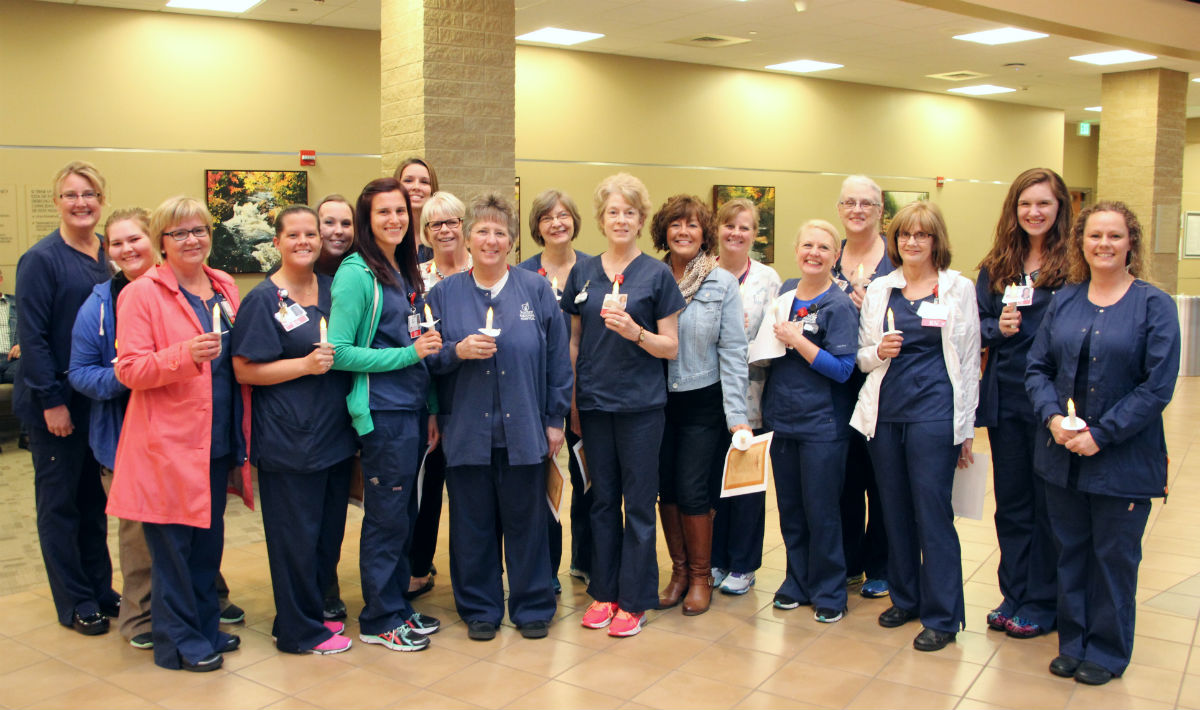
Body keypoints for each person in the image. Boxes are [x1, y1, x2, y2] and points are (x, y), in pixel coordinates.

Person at [1026, 202, 1180, 686]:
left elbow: (1157, 386)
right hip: (1061, 457)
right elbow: (1037, 369)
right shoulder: (1065, 301)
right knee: (1070, 551)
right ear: (1081, 243)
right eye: (1095, 236)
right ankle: (1073, 642)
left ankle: (1108, 650)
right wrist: (1052, 418)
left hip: (1123, 460)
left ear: (1130, 241)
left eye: (1115, 236)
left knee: (1113, 557)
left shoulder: (1154, 305)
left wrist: (1101, 435)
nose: (1104, 245)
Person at [106, 196, 253, 671]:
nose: (192, 241)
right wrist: (184, 354)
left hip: (215, 440)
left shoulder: (224, 285)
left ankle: (205, 628)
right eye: (179, 234)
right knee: (173, 552)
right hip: (167, 448)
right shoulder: (141, 294)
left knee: (207, 548)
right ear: (160, 243)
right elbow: (129, 369)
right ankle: (177, 644)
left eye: (199, 231)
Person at [425, 192, 572, 641]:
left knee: (527, 522)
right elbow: (426, 360)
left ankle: (531, 605)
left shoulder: (536, 290)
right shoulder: (444, 295)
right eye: (483, 231)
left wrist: (554, 419)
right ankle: (480, 607)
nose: (491, 240)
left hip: (525, 429)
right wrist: (456, 352)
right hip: (467, 430)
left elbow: (557, 361)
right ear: (468, 237)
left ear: (511, 243)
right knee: (472, 525)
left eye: (500, 233)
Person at [850, 200, 979, 652]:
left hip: (935, 415)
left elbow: (967, 360)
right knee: (894, 511)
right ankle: (906, 598)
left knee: (932, 514)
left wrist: (965, 430)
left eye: (922, 234)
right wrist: (879, 351)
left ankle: (943, 615)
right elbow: (863, 356)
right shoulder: (883, 289)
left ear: (936, 240)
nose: (913, 242)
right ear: (895, 240)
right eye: (905, 234)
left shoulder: (957, 289)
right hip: (885, 415)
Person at [560, 173, 685, 638]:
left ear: (641, 219)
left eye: (629, 212)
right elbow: (574, 342)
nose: (620, 219)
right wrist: (572, 399)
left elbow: (670, 347)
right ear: (601, 218)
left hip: (640, 409)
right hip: (593, 406)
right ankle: (604, 593)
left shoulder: (656, 275)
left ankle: (634, 600)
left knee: (636, 505)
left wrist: (636, 332)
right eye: (613, 211)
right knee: (600, 500)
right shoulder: (584, 271)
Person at [231, 206, 356, 655]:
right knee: (294, 541)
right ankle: (297, 630)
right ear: (278, 241)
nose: (304, 241)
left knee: (325, 538)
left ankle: (314, 615)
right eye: (294, 235)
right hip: (289, 442)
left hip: (334, 438)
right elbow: (244, 369)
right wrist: (303, 366)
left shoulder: (331, 291)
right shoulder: (264, 300)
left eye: (311, 234)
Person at [328, 177, 443, 652]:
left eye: (401, 211)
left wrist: (432, 407)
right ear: (365, 220)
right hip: (382, 413)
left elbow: (422, 341)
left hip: (413, 411)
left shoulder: (403, 269)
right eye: (383, 213)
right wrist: (407, 357)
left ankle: (396, 603)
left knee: (403, 515)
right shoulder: (357, 272)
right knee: (386, 518)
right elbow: (337, 352)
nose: (395, 219)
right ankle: (379, 618)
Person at [15, 160, 119, 636]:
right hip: (54, 401)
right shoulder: (41, 259)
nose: (81, 203)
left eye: (90, 194)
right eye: (71, 195)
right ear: (57, 201)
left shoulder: (107, 252)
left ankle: (100, 587)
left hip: (94, 399)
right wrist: (52, 402)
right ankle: (75, 600)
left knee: (92, 502)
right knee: (60, 505)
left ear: (102, 200)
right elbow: (32, 338)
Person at [976, 168, 1072, 639]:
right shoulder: (997, 267)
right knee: (1011, 504)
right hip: (1006, 399)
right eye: (1025, 204)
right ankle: (1014, 593)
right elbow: (973, 325)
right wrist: (999, 329)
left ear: (1060, 210)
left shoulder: (1074, 268)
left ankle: (1042, 600)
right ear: (1013, 210)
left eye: (1044, 204)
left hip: (1050, 403)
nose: (1034, 212)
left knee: (1046, 505)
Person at [751, 220, 858, 622]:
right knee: (791, 509)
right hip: (783, 419)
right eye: (808, 245)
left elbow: (844, 369)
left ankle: (830, 590)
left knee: (822, 510)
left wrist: (800, 341)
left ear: (836, 256)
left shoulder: (840, 306)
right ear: (797, 250)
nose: (814, 253)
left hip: (823, 426)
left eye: (824, 247)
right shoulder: (785, 294)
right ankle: (797, 580)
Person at [651, 194, 749, 616]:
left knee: (693, 488)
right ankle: (677, 572)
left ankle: (700, 576)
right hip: (654, 402)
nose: (684, 232)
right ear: (664, 231)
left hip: (703, 401)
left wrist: (738, 417)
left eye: (692, 225)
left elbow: (732, 351)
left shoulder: (720, 282)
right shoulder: (650, 278)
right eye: (676, 224)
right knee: (666, 489)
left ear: (703, 233)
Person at [68, 208, 157, 649]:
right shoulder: (100, 304)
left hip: (182, 434)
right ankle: (140, 619)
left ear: (153, 239)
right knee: (138, 536)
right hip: (124, 439)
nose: (127, 250)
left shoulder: (181, 289)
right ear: (107, 250)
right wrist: (126, 375)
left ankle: (206, 599)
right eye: (117, 243)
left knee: (196, 524)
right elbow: (80, 373)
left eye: (134, 239)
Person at [518, 189, 592, 592]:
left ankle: (586, 560)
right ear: (537, 227)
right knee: (540, 474)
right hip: (536, 391)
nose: (557, 223)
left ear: (575, 221)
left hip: (586, 388)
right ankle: (545, 567)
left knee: (586, 476)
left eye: (564, 215)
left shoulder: (596, 270)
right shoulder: (523, 274)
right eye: (547, 217)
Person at [711, 198, 780, 596]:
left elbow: (773, 337)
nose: (736, 234)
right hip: (707, 397)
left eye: (745, 227)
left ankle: (743, 563)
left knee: (747, 484)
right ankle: (717, 557)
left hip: (753, 399)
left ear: (755, 234)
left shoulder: (768, 280)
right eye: (729, 226)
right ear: (717, 229)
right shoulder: (702, 273)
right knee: (712, 485)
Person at [832, 176, 894, 600]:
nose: (858, 210)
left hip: (884, 382)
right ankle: (848, 561)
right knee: (845, 476)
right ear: (840, 209)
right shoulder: (827, 255)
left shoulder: (897, 257)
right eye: (850, 202)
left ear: (880, 211)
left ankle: (882, 564)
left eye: (866, 204)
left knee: (883, 477)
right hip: (837, 382)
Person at [407, 191, 470, 600]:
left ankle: (472, 573)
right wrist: (431, 408)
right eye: (435, 224)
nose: (445, 230)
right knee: (428, 487)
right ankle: (417, 565)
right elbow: (419, 344)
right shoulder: (416, 279)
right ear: (426, 232)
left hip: (473, 398)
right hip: (430, 399)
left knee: (469, 491)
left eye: (452, 222)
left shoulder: (484, 269)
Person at [313, 193, 355, 621]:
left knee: (333, 514)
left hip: (347, 413)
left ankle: (327, 586)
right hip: (301, 419)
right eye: (328, 223)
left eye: (346, 223)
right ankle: (307, 595)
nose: (337, 231)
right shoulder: (289, 286)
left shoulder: (358, 274)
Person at [394, 157, 438, 262]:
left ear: (432, 189)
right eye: (408, 180)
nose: (416, 187)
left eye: (424, 182)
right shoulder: (388, 235)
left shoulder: (443, 233)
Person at [315, 194, 355, 277]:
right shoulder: (297, 268)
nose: (339, 231)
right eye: (329, 222)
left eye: (346, 224)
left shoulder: (365, 269)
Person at [0, 270, 19, 385]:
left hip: (14, 360)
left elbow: (34, 328)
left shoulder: (18, 303)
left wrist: (22, 345)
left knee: (34, 371)